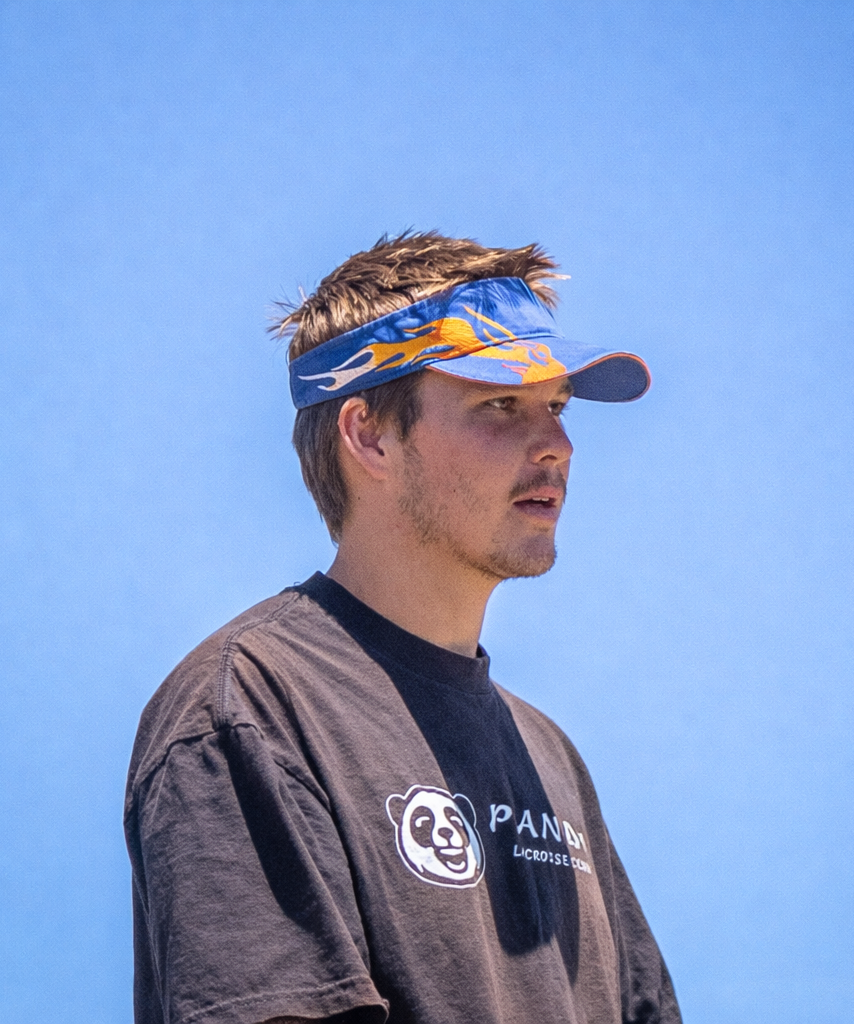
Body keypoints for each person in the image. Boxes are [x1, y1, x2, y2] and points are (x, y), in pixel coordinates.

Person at [124, 232, 682, 1024]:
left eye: (556, 407)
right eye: (501, 404)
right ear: (369, 434)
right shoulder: (247, 709)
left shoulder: (552, 757)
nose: (556, 444)